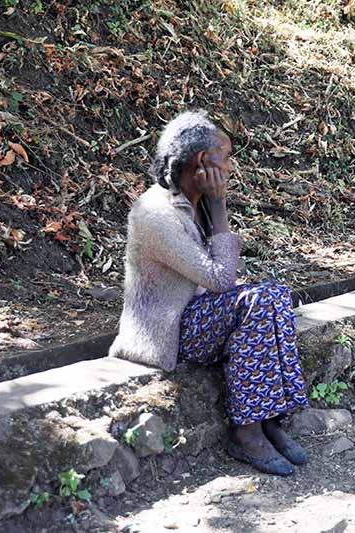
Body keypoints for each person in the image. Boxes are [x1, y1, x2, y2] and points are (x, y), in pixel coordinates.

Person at [109, 110, 309, 476]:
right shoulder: (154, 213)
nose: (230, 168)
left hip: (197, 316)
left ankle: (270, 421)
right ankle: (245, 433)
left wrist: (211, 206)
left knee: (276, 293)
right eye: (226, 158)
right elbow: (220, 280)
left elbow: (220, 285)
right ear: (203, 160)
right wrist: (219, 206)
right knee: (259, 300)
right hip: (165, 334)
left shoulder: (190, 202)